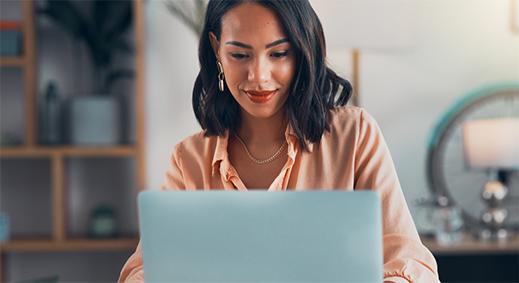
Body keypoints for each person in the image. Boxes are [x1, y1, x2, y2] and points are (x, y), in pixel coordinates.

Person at [119, 1, 439, 282]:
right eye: (240, 54)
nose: (259, 75)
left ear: (303, 51)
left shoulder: (355, 135)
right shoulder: (189, 158)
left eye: (279, 53)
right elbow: (145, 269)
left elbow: (410, 262)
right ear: (217, 50)